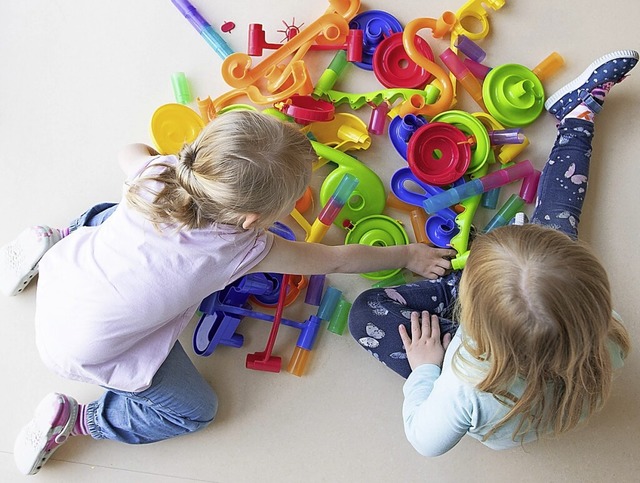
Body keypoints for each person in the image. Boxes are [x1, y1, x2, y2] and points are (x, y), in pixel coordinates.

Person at [1, 110, 456, 475]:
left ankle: (54, 237)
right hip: (92, 355)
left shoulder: (161, 172)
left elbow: (129, 152)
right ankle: (83, 420)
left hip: (67, 275)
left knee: (115, 212)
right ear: (252, 221)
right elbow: (336, 259)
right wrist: (410, 255)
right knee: (196, 411)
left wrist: (163, 160)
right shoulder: (245, 248)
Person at [348, 50, 638, 456]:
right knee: (556, 231)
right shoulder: (605, 334)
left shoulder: (466, 386)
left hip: (477, 368)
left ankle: (458, 298)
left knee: (363, 313)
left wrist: (427, 370)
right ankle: (577, 118)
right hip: (529, 329)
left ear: (471, 316)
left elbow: (424, 440)